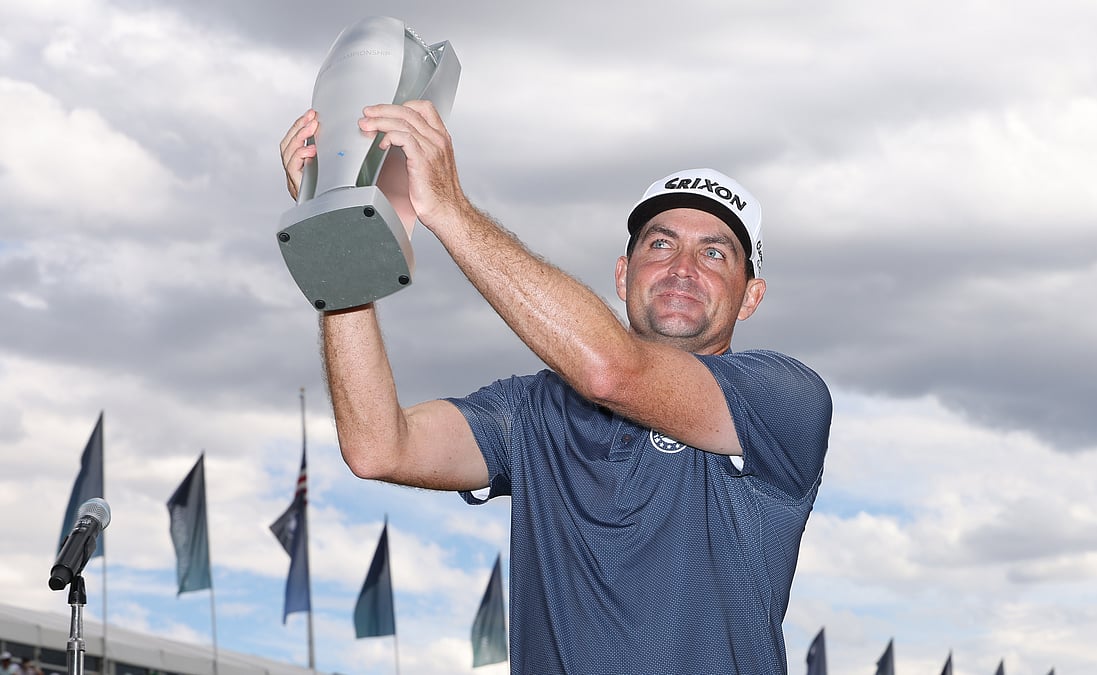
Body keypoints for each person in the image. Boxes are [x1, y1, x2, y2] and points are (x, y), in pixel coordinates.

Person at [279, 102, 832, 674]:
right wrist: (338, 240)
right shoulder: (535, 409)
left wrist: (448, 208)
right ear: (623, 275)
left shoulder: (785, 398)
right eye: (661, 244)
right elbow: (378, 447)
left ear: (751, 296)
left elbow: (612, 373)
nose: (683, 267)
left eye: (714, 253)